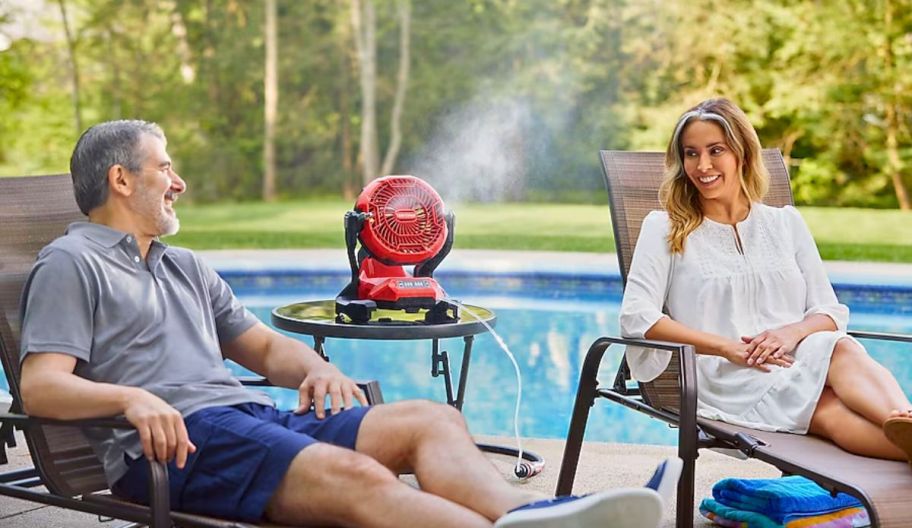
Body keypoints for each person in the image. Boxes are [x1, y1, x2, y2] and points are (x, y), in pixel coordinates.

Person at [18, 120, 678, 528]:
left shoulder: (183, 265)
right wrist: (133, 398)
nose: (179, 181)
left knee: (432, 420)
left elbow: (263, 349)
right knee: (358, 478)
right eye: (165, 165)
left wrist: (315, 367)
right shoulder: (71, 264)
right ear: (121, 180)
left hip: (242, 419)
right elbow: (42, 386)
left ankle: (530, 518)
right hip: (173, 448)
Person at [619, 97, 912, 463]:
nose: (702, 165)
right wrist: (727, 347)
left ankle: (906, 425)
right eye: (691, 153)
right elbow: (637, 316)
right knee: (824, 404)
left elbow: (830, 311)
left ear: (741, 153)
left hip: (796, 352)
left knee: (841, 347)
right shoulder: (665, 228)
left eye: (715, 150)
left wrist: (789, 333)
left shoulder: (784, 222)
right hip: (729, 373)